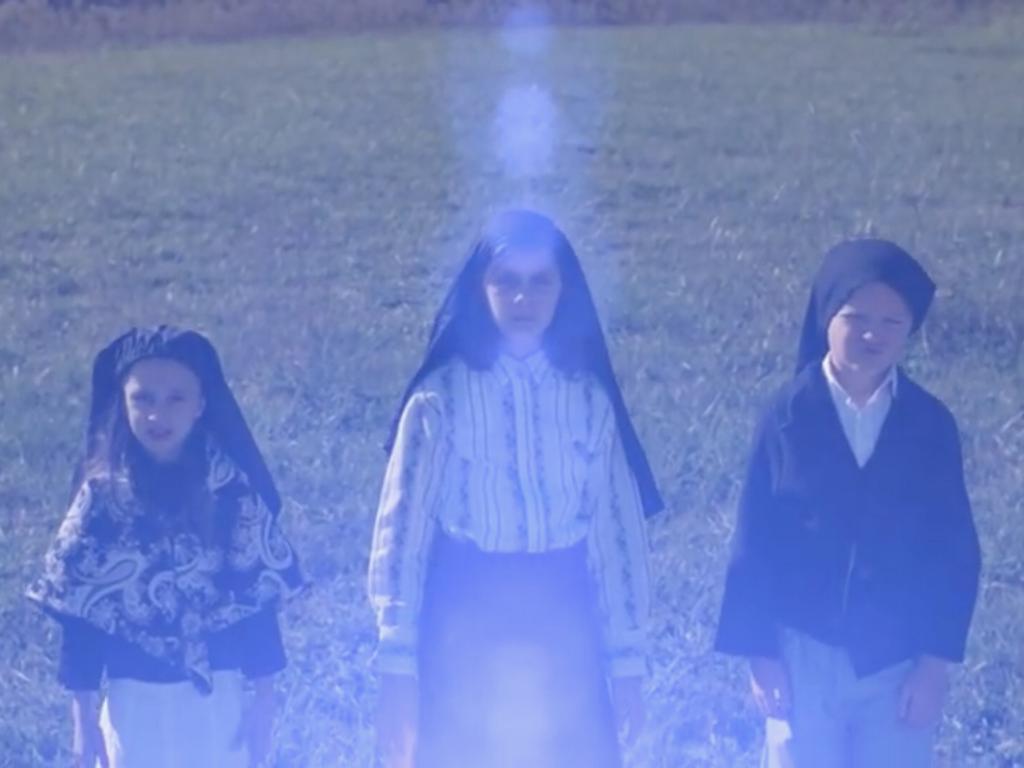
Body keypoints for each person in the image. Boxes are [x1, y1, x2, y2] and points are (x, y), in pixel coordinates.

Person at [368, 209, 662, 768]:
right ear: (480, 290)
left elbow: (615, 534)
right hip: (464, 617)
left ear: (564, 291)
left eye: (540, 282)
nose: (523, 298)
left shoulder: (588, 400)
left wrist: (626, 666)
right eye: (506, 282)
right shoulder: (440, 399)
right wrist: (397, 670)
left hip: (564, 617)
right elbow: (401, 535)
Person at [715, 239, 982, 767]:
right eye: (856, 318)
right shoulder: (786, 416)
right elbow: (755, 539)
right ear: (826, 318)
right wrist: (760, 653)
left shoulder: (929, 424)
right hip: (802, 654)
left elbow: (953, 549)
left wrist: (934, 665)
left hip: (895, 659)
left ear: (910, 329)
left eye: (891, 321)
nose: (872, 334)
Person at [27, 326, 304, 768]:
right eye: (144, 398)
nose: (159, 415)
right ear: (122, 402)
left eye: (176, 398)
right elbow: (82, 616)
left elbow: (255, 597)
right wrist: (82, 716)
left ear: (201, 404)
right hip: (133, 703)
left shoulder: (230, 493)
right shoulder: (102, 499)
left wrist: (264, 701)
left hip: (217, 698)